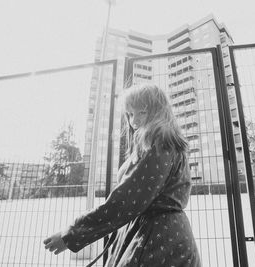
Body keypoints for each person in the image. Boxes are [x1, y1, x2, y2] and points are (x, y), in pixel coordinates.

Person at [43, 84, 201, 266]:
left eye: (141, 112)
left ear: (158, 111)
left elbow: (126, 200)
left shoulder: (159, 142)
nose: (134, 121)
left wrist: (71, 235)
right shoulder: (162, 142)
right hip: (159, 234)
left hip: (156, 240)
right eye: (131, 114)